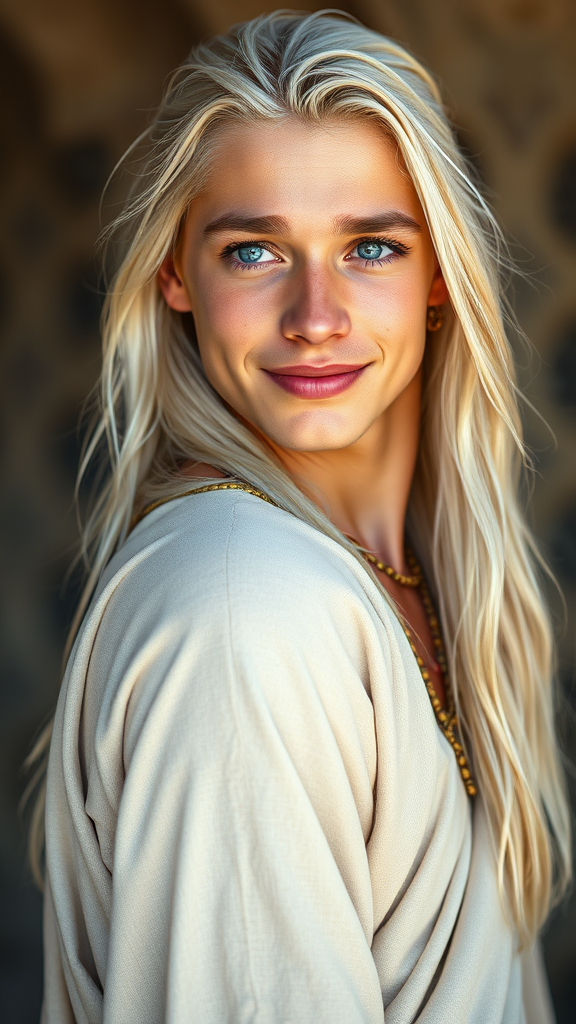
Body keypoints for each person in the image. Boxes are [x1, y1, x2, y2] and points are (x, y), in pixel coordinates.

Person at [34, 11, 571, 1023]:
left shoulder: (412, 578)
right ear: (175, 274)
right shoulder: (245, 612)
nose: (315, 314)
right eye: (253, 252)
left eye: (370, 246)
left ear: (440, 278)